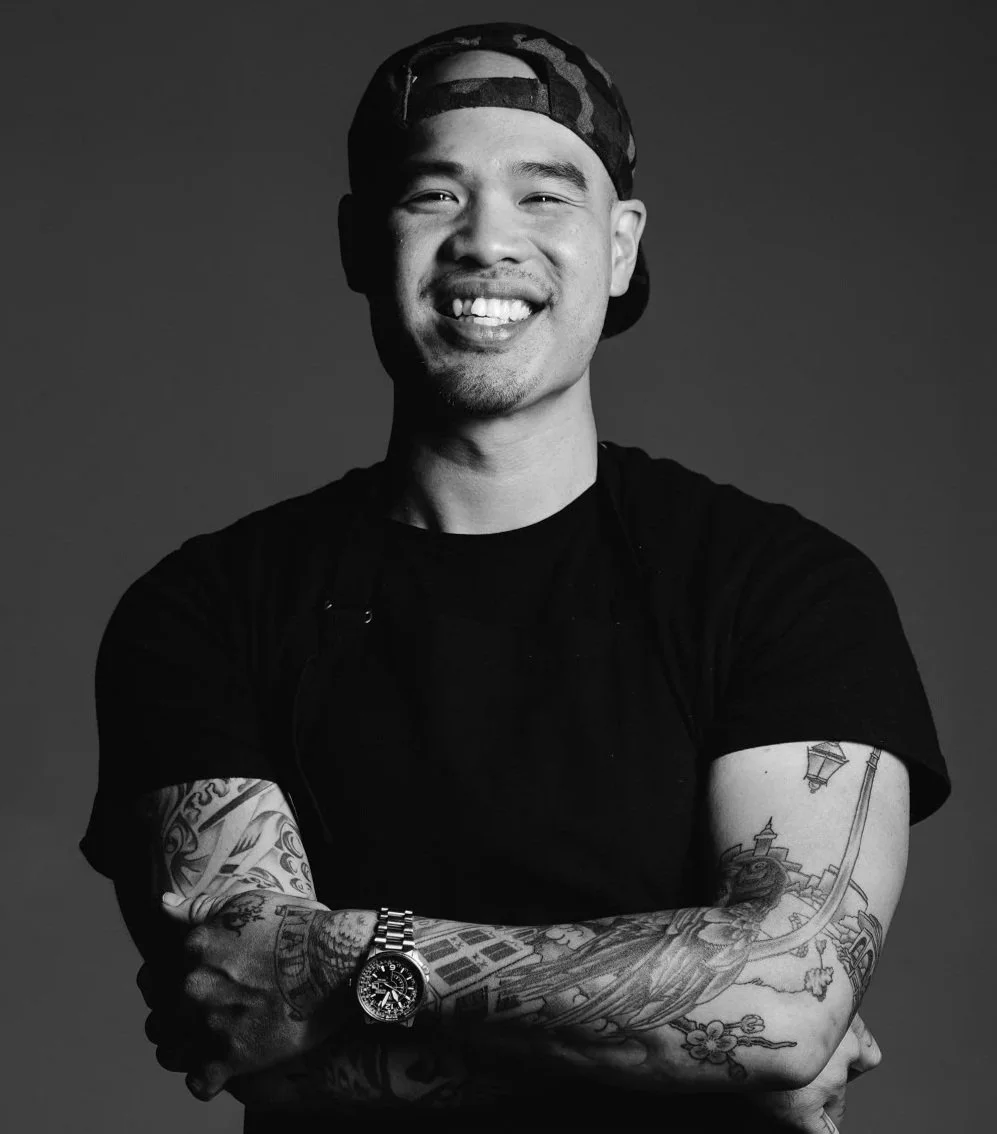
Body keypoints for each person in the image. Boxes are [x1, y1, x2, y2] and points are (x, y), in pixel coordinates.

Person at [80, 22, 950, 1134]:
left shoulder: (781, 588)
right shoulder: (203, 612)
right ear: (359, 243)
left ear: (621, 245)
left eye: (544, 195)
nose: (487, 241)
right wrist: (706, 1045)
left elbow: (786, 1004)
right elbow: (253, 1042)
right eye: (432, 195)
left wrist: (358, 956)